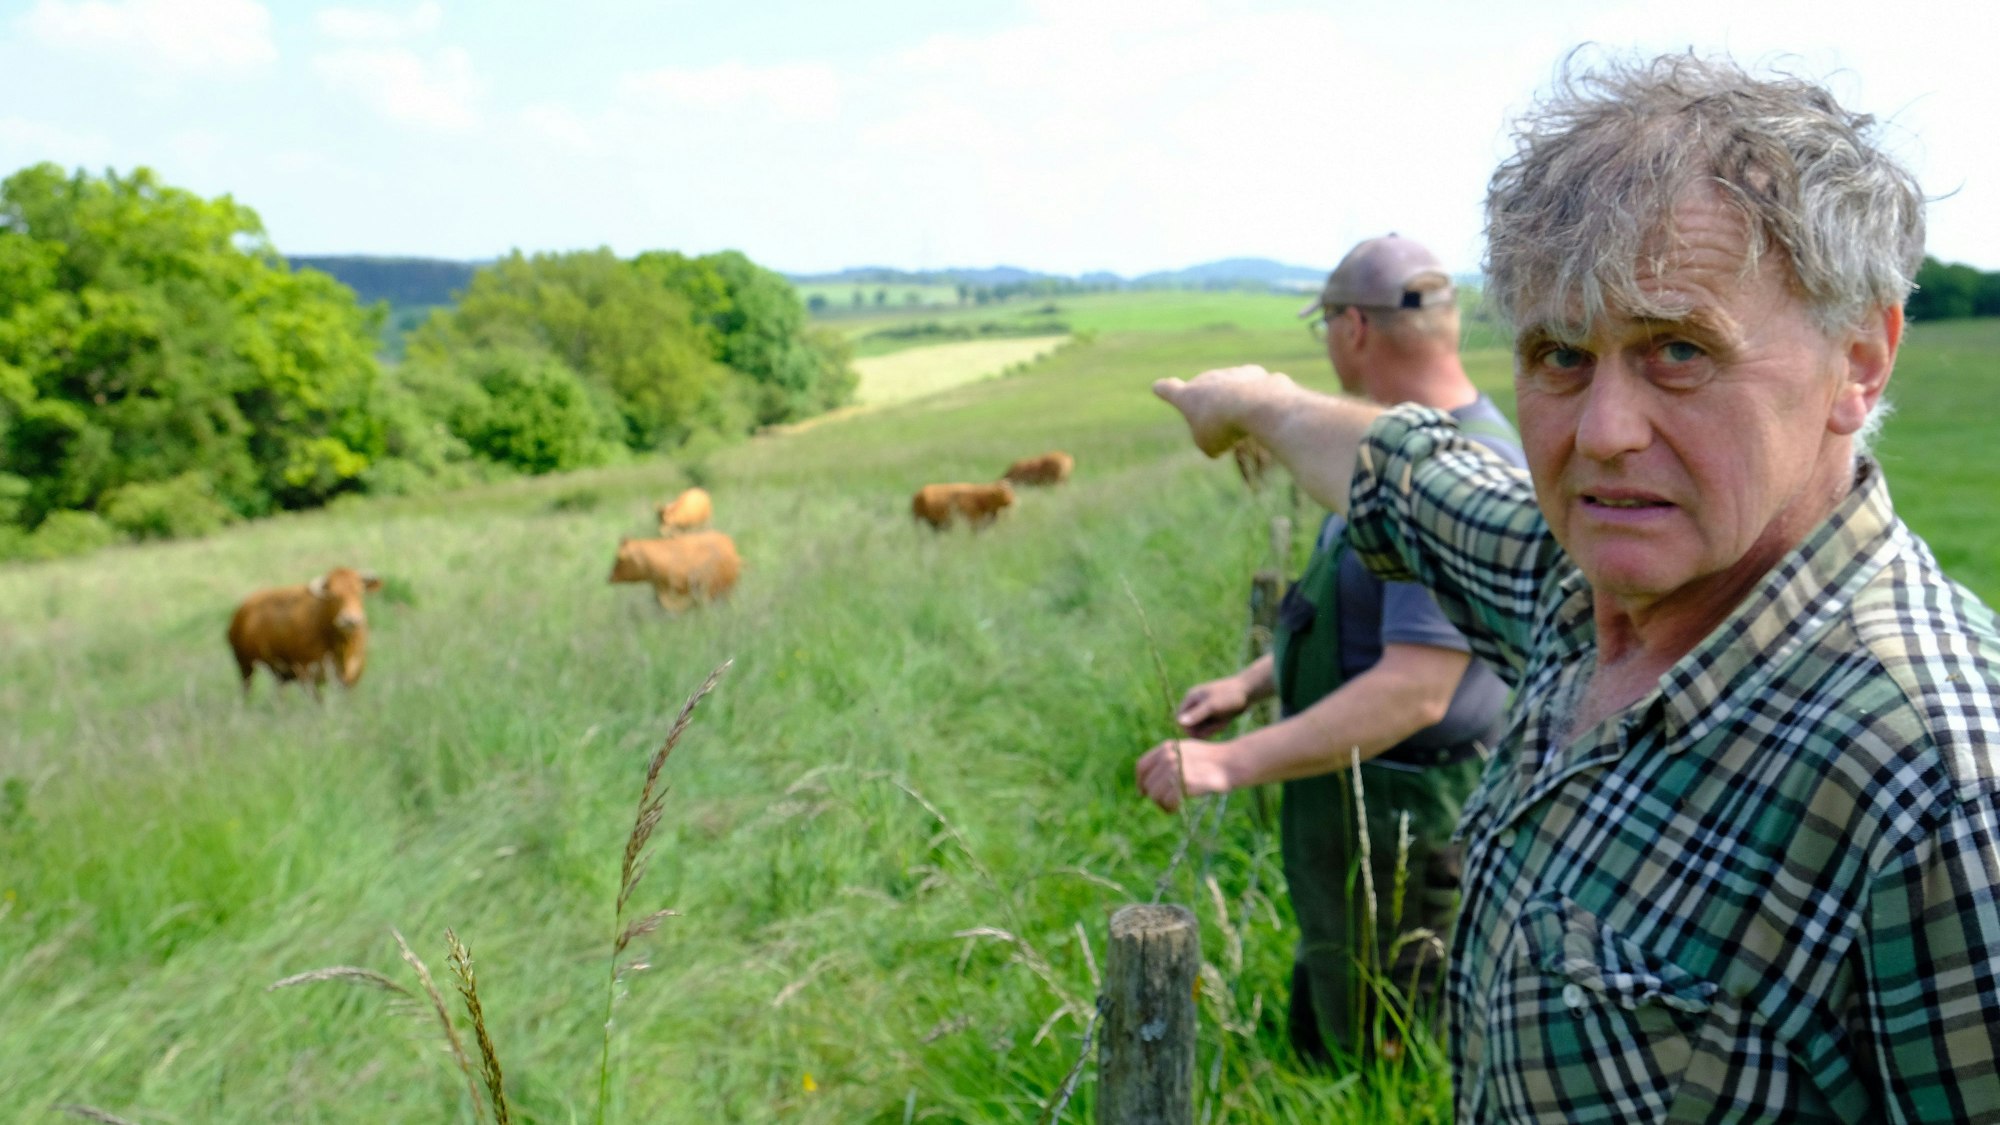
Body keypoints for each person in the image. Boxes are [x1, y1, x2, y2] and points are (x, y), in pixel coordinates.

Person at [1153, 54, 2000, 1122]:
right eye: (1558, 353)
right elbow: (1410, 477)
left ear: (1859, 359)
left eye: (1677, 350)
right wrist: (1251, 402)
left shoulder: (1943, 791)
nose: (1600, 435)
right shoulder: (1573, 593)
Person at [1134, 235, 1526, 1066]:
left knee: (1385, 1055)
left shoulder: (1458, 471)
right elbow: (1373, 626)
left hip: (1401, 818)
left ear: (1353, 327)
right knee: (1331, 1010)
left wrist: (1229, 764)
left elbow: (1414, 690)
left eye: (1323, 326)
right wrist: (1254, 680)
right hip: (1362, 797)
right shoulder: (1378, 451)